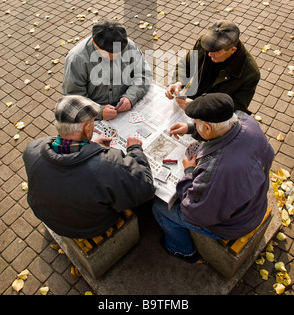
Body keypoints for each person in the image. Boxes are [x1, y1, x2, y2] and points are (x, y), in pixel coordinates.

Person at [153, 92, 274, 262]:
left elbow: (193, 213)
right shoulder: (247, 121)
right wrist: (192, 129)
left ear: (208, 128)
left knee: (159, 208)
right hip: (255, 203)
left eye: (197, 123)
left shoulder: (215, 171)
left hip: (235, 224)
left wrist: (188, 172)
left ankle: (182, 250)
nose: (195, 125)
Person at [23, 95, 155, 238]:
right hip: (90, 227)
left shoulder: (32, 149)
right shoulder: (108, 164)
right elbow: (146, 188)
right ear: (86, 128)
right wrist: (135, 149)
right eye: (92, 122)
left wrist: (91, 146)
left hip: (51, 219)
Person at [62, 20, 152, 121]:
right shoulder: (76, 58)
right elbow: (73, 98)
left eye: (117, 52)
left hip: (124, 109)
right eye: (106, 53)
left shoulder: (128, 45)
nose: (113, 57)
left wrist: (130, 97)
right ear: (95, 44)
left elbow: (144, 74)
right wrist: (98, 111)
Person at [166, 20, 260, 114]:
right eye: (208, 49)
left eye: (216, 51)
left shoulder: (250, 74)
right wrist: (178, 82)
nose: (209, 54)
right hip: (188, 100)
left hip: (210, 117)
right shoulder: (206, 44)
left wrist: (202, 107)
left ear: (232, 50)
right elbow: (185, 65)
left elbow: (237, 108)